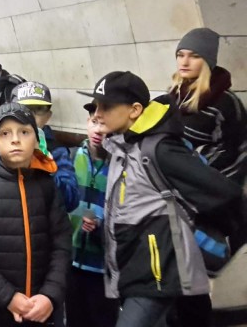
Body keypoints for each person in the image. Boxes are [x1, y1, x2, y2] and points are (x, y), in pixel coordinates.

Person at [79, 71, 242, 327]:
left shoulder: (158, 149)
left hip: (157, 274)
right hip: (138, 270)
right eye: (96, 105)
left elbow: (224, 192)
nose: (97, 113)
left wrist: (231, 239)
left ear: (135, 110)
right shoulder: (122, 147)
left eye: (106, 106)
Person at [0, 102, 72, 327]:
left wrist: (50, 294)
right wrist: (8, 297)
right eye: (5, 133)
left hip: (40, 311)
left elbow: (61, 243)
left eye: (24, 132)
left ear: (36, 139)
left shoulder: (46, 186)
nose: (15, 140)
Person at [169, 28, 247, 246]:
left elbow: (236, 152)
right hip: (178, 192)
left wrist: (197, 174)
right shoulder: (174, 96)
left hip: (214, 198)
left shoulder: (225, 102)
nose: (185, 62)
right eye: (180, 55)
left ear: (207, 61)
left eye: (194, 56)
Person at [63, 101, 119, 327]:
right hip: (71, 262)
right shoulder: (70, 158)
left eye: (104, 125)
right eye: (94, 122)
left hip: (102, 268)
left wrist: (100, 226)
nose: (98, 131)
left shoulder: (119, 165)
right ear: (87, 122)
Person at [11, 81, 80, 212]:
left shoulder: (56, 152)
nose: (29, 117)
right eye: (22, 110)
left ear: (48, 116)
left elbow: (71, 200)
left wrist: (45, 166)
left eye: (38, 109)